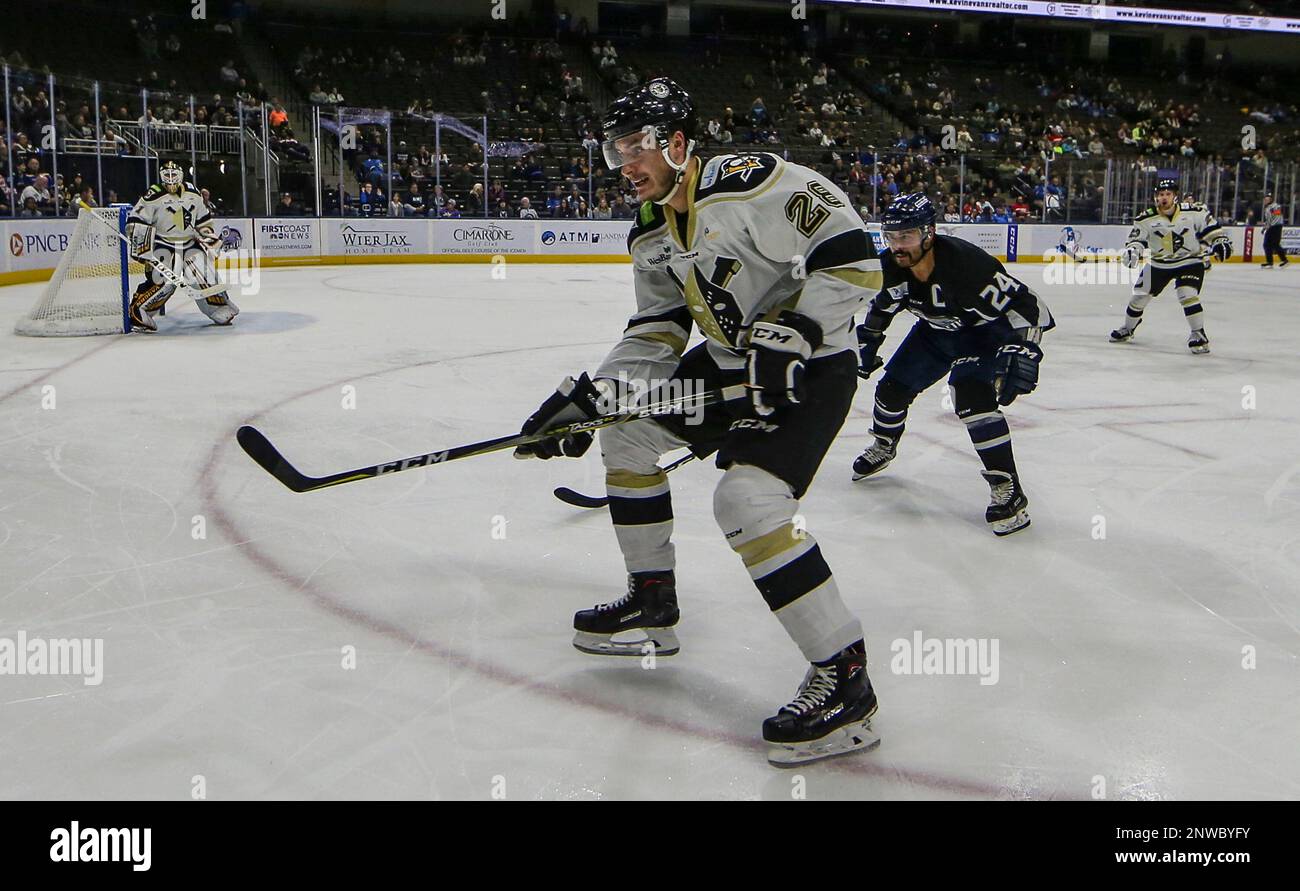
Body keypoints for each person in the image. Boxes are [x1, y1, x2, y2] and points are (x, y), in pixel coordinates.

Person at [513, 78, 884, 766]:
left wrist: (798, 327)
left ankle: (846, 680)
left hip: (809, 365)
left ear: (679, 144)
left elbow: (856, 255)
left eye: (635, 147)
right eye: (614, 149)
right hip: (726, 365)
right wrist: (597, 396)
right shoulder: (652, 228)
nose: (623, 163)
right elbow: (657, 329)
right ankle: (652, 605)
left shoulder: (751, 183)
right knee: (626, 432)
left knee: (746, 498)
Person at [851, 194, 1053, 536]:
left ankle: (1009, 490)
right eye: (892, 236)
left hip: (984, 335)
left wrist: (1026, 349)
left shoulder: (965, 265)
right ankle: (884, 444)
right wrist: (869, 340)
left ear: (929, 234)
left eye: (907, 236)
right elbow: (882, 307)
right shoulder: (888, 267)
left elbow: (1027, 303)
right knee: (891, 390)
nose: (898, 246)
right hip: (936, 333)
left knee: (971, 396)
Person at [1110, 179, 1231, 354]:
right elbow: (1136, 239)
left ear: (1175, 196)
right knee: (1138, 297)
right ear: (1155, 198)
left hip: (1189, 262)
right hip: (1159, 264)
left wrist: (1219, 241)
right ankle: (1128, 329)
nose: (1164, 198)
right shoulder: (1145, 218)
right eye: (1160, 195)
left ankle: (1198, 334)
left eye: (1168, 194)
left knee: (1187, 294)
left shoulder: (1195, 212)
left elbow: (1212, 230)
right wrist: (1133, 251)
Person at [124, 161, 239, 331]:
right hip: (163, 243)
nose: (171, 179)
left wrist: (209, 238)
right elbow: (135, 222)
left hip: (189, 243)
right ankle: (139, 310)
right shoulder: (153, 196)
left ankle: (219, 308)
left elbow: (203, 222)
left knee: (204, 275)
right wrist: (142, 246)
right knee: (165, 281)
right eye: (167, 176)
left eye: (173, 175)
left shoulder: (193, 193)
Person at [1259, 192, 1289, 268]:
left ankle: (1284, 260)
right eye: (1265, 199)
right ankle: (1270, 262)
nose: (1266, 201)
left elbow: (1278, 214)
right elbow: (1269, 219)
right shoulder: (1267, 208)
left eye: (1267, 199)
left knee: (1275, 244)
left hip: (1276, 227)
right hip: (1271, 227)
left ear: (1271, 199)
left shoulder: (1275, 206)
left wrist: (1269, 225)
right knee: (1266, 244)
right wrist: (1265, 227)